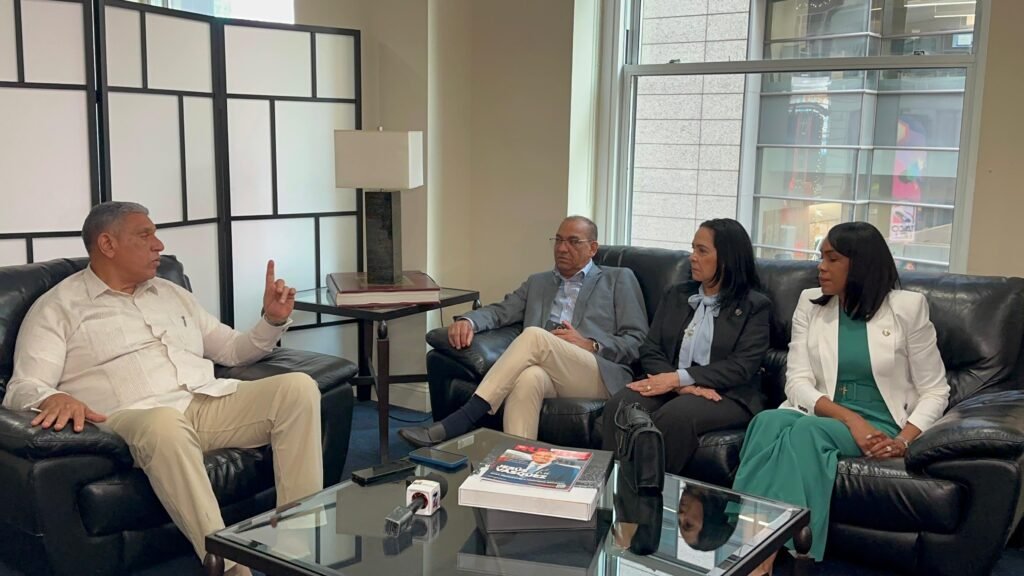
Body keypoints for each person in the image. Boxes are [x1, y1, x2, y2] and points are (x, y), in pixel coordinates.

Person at [2, 201, 322, 576]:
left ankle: (298, 554)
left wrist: (271, 321)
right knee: (164, 423)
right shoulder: (58, 308)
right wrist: (53, 396)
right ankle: (231, 567)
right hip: (132, 419)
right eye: (145, 235)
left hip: (202, 402)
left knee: (297, 388)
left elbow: (233, 350)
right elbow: (22, 386)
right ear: (107, 244)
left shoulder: (171, 292)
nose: (159, 245)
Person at [731, 221, 949, 575]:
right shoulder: (810, 303)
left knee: (806, 433)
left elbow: (936, 389)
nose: (821, 267)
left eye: (832, 259)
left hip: (880, 422)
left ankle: (767, 557)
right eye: (821, 257)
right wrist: (849, 419)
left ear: (860, 264)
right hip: (827, 412)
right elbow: (797, 381)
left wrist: (904, 440)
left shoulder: (908, 308)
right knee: (766, 422)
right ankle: (751, 546)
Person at [398, 216, 648, 446]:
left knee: (534, 335)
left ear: (593, 248)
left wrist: (590, 344)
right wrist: (468, 321)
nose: (562, 248)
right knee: (528, 379)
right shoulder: (538, 282)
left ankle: (462, 419)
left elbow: (637, 341)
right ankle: (517, 462)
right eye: (558, 240)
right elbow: (501, 311)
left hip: (598, 373)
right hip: (551, 372)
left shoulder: (618, 279)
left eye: (573, 242)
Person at [601, 219, 770, 476]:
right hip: (673, 384)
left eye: (702, 251)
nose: (693, 257)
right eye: (693, 249)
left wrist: (678, 379)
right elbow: (650, 348)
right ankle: (610, 487)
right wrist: (679, 384)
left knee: (674, 417)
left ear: (727, 259)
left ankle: (649, 493)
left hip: (726, 394)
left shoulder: (754, 306)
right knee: (621, 405)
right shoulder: (676, 295)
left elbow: (740, 367)